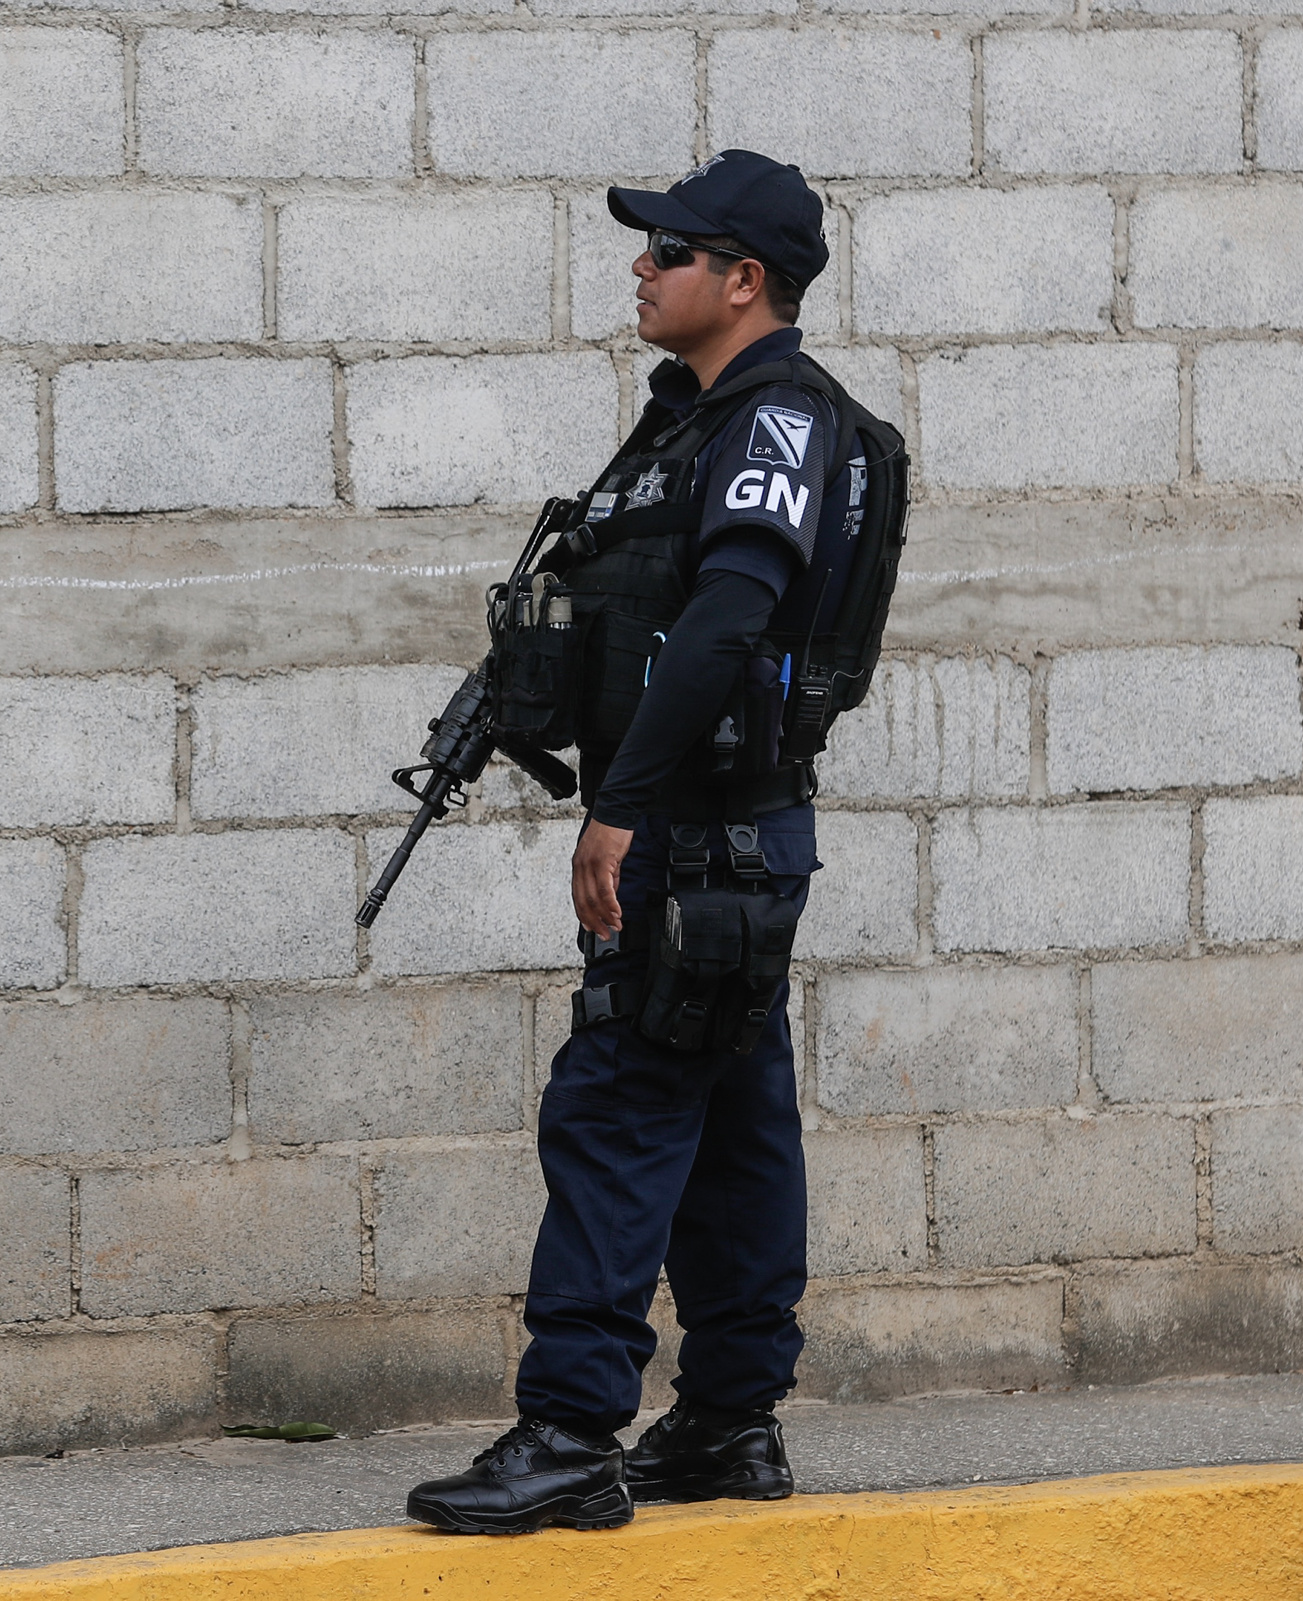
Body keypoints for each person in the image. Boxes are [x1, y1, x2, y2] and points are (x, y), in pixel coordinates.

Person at [406, 151, 895, 1536]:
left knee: (616, 1109)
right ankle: (728, 1422)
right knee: (734, 1122)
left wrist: (618, 804)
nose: (639, 267)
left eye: (668, 252)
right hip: (724, 836)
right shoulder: (695, 418)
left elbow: (731, 617)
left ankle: (567, 1429)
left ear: (743, 281)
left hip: (691, 833)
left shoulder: (775, 421)